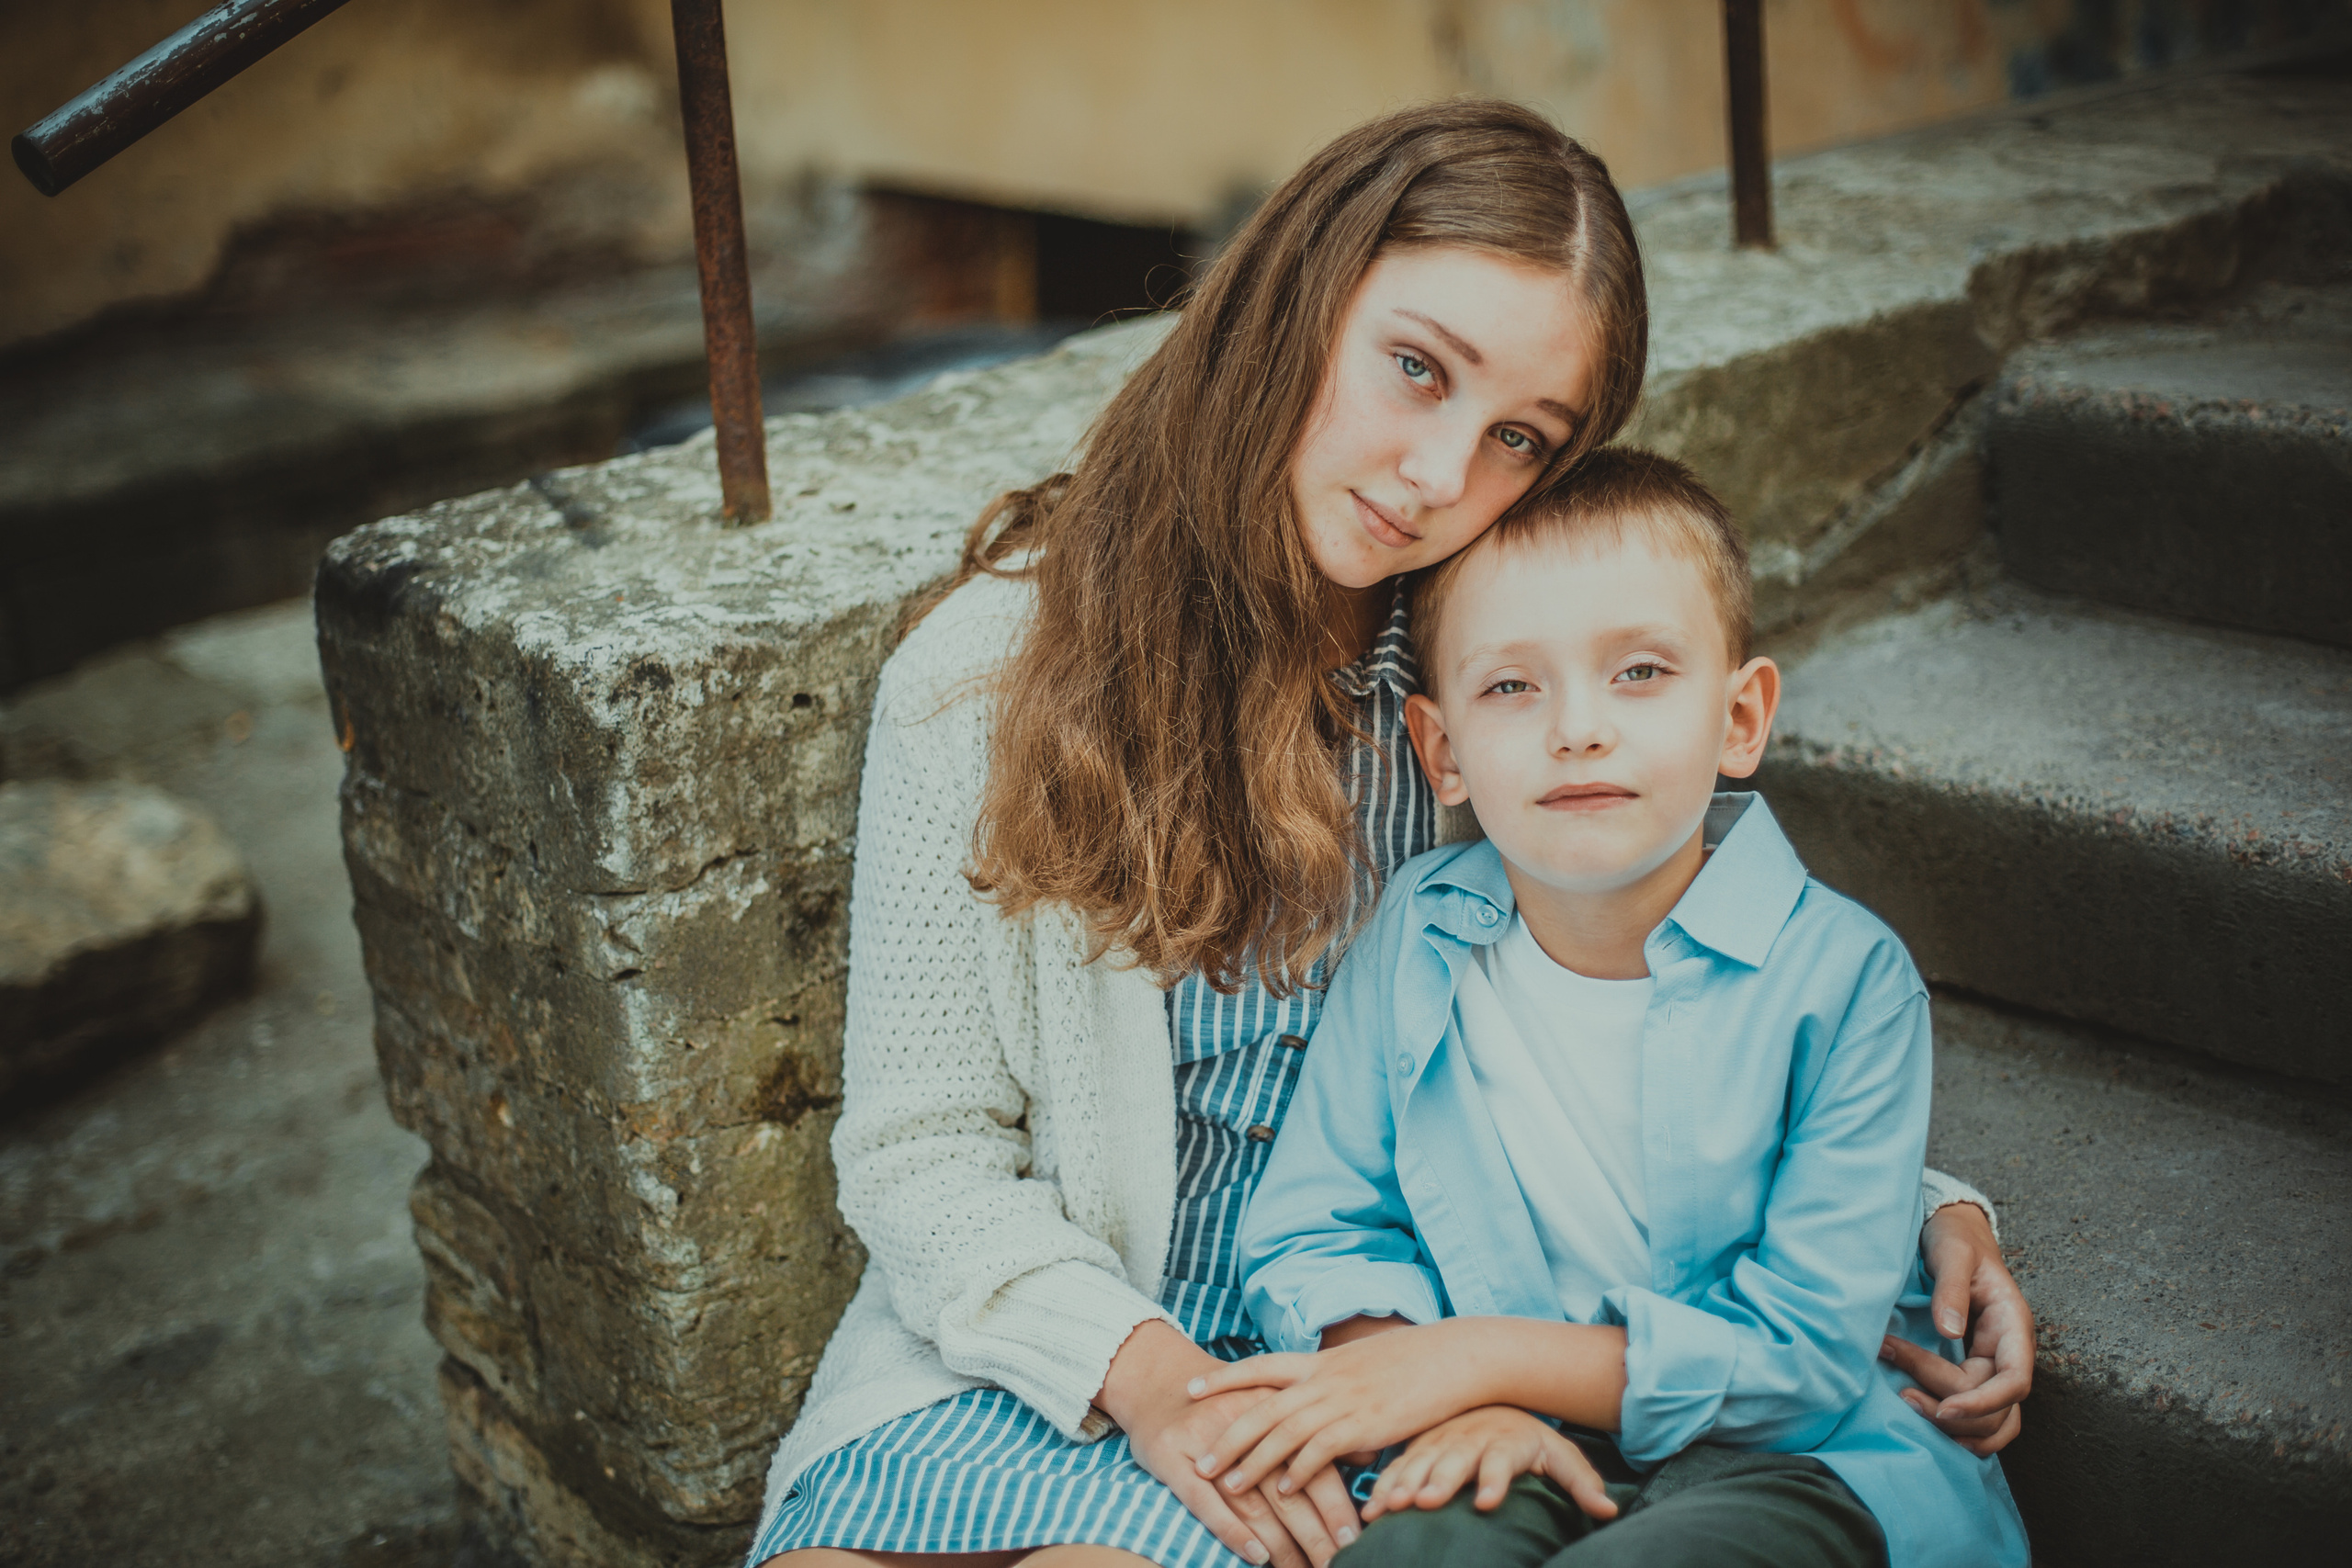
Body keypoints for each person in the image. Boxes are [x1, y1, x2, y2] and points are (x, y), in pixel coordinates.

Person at [749, 99, 2030, 1568]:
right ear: (1299, 296)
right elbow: (920, 1154)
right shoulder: (983, 681)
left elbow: (1670, 963)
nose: (1437, 475)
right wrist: (1155, 1381)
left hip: (1385, 1342)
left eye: (1516, 440)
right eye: (1414, 368)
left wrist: (1922, 1207)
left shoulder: (1491, 682)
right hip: (1061, 1336)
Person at [1198, 450, 2029, 1568]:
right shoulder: (1414, 935)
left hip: (1796, 1461)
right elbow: (1315, 1225)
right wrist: (1442, 1395)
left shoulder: (1847, 981)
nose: (1576, 727)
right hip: (1494, 1433)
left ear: (1740, 717)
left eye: (1638, 672)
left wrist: (1480, 1357)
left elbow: (1799, 1362)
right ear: (1439, 751)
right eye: (1509, 686)